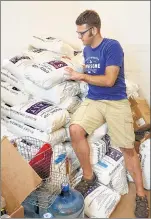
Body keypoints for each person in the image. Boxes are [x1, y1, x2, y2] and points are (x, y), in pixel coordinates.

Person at [65, 10, 149, 218]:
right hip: (94, 100)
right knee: (75, 129)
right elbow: (91, 69)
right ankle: (88, 176)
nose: (79, 37)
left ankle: (140, 195)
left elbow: (109, 80)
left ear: (94, 30)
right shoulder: (86, 50)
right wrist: (74, 67)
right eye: (78, 33)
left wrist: (81, 76)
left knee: (128, 149)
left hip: (115, 101)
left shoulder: (112, 46)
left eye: (82, 33)